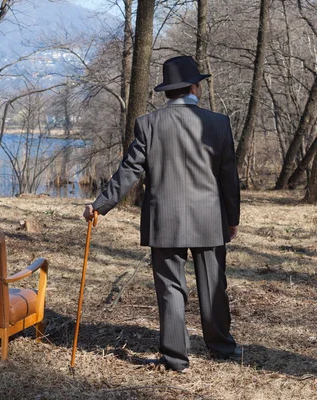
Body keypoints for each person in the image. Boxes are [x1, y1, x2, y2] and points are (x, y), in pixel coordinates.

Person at [83, 55, 241, 372]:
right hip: (209, 219)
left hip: (164, 220)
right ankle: (221, 348)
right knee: (213, 285)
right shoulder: (218, 123)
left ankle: (175, 358)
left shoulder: (148, 124)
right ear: (195, 87)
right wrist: (232, 218)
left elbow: (128, 173)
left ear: (169, 91)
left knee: (170, 288)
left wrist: (99, 206)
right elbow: (228, 177)